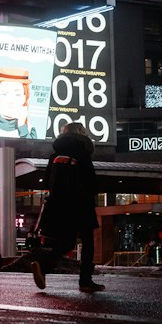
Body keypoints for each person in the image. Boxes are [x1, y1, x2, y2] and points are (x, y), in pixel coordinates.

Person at [31, 122, 104, 293]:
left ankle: (44, 265)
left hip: (60, 205)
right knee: (87, 242)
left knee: (67, 241)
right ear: (81, 134)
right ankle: (85, 281)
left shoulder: (55, 155)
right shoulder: (82, 153)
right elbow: (92, 183)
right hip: (81, 204)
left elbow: (47, 182)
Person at [0, 66, 37, 139]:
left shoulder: (30, 131)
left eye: (17, 94)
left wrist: (22, 126)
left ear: (24, 98)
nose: (10, 100)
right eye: (4, 94)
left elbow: (30, 148)